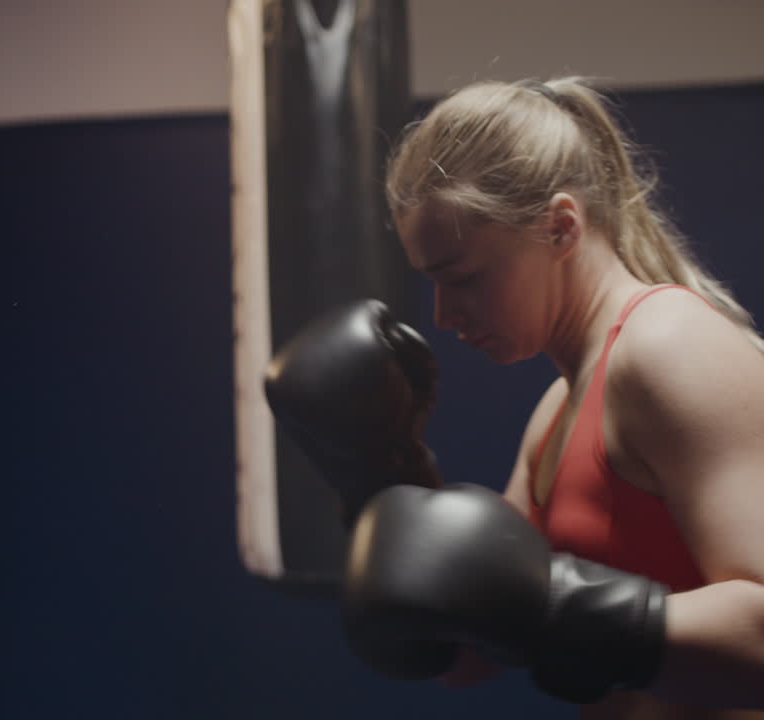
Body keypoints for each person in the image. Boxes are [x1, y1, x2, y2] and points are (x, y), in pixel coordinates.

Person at [266, 77, 764, 718]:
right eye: (432, 284)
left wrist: (555, 606)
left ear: (561, 227)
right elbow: (471, 654)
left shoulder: (670, 344)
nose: (444, 314)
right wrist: (381, 479)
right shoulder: (556, 412)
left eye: (465, 278)